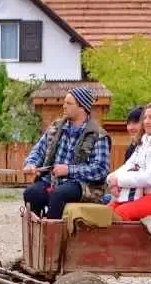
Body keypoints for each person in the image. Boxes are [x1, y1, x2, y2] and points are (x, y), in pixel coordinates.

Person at [22, 87, 110, 219]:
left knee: (58, 194)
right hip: (52, 181)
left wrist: (69, 170)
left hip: (83, 186)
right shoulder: (56, 128)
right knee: (31, 193)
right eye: (64, 102)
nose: (64, 106)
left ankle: (52, 236)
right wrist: (31, 164)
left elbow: (100, 170)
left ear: (82, 107)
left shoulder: (98, 135)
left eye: (69, 103)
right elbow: (38, 151)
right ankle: (37, 234)